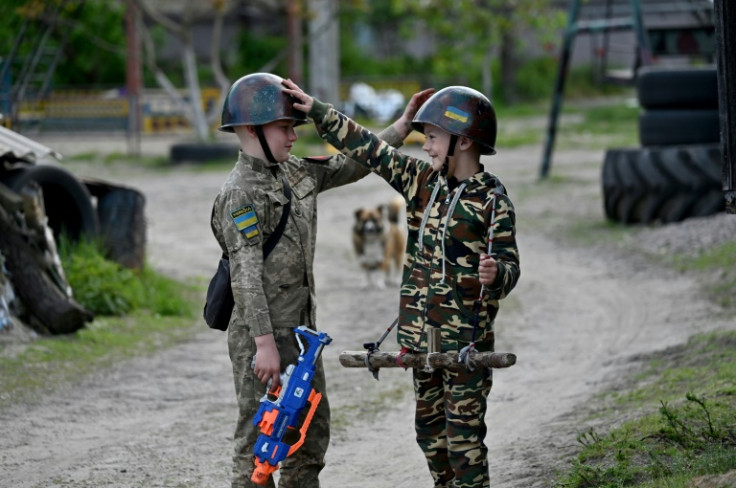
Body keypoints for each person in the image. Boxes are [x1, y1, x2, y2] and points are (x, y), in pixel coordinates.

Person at [283, 79, 521, 488]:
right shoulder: (420, 182)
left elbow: (510, 265)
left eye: (432, 138)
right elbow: (369, 149)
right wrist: (318, 111)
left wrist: (497, 273)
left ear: (462, 141)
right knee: (430, 438)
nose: (425, 146)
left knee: (464, 443)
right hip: (419, 341)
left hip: (465, 345)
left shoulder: (493, 201)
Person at [210, 72, 434, 488]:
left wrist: (402, 127)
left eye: (293, 128)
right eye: (283, 128)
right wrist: (263, 346)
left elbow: (350, 164)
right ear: (250, 130)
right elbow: (245, 276)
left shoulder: (296, 173)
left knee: (309, 434)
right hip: (263, 339)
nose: (293, 137)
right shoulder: (240, 193)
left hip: (302, 335)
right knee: (259, 437)